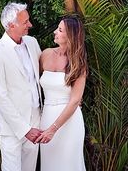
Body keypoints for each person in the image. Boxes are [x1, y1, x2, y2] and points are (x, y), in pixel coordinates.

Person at [0, 2, 42, 171]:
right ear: (11, 25)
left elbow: (44, 76)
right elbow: (1, 97)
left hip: (36, 119)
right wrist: (24, 129)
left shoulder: (32, 43)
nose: (30, 25)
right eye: (25, 22)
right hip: (11, 126)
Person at [36, 15, 87, 170]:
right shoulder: (45, 54)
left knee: (69, 165)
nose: (54, 32)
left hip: (69, 121)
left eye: (59, 30)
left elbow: (75, 100)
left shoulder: (78, 63)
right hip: (46, 117)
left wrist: (53, 129)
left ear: (70, 36)